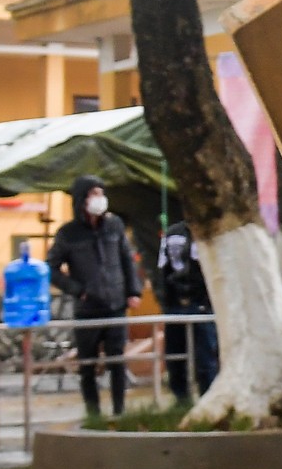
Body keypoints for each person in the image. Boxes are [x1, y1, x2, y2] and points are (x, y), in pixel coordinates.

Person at [47, 175, 141, 419]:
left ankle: (120, 411)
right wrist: (78, 290)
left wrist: (133, 291)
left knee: (117, 361)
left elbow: (126, 259)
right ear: (81, 200)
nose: (99, 199)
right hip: (87, 308)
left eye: (101, 193)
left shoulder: (114, 226)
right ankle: (93, 413)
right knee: (87, 365)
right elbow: (51, 269)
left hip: (115, 305)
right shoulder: (68, 234)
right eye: (93, 194)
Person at [157, 218, 218, 404]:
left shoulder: (212, 233)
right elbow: (165, 270)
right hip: (186, 304)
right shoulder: (180, 233)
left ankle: (196, 398)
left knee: (197, 357)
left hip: (192, 304)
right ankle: (190, 398)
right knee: (184, 356)